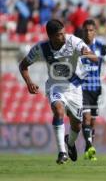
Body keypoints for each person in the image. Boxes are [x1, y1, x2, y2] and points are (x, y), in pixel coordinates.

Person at [19, 19, 97, 164]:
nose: (64, 36)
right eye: (60, 34)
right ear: (51, 36)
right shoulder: (41, 49)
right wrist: (29, 82)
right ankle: (62, 152)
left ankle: (70, 143)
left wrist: (88, 54)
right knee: (58, 110)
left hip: (74, 87)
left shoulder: (73, 41)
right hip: (55, 86)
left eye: (64, 32)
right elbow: (23, 65)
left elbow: (95, 58)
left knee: (77, 125)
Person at [80, 19, 106, 161]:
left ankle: (88, 147)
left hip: (95, 89)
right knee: (86, 117)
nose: (88, 33)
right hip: (81, 88)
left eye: (91, 30)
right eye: (86, 30)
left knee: (92, 121)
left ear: (95, 31)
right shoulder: (77, 46)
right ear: (82, 31)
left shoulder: (101, 46)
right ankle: (90, 145)